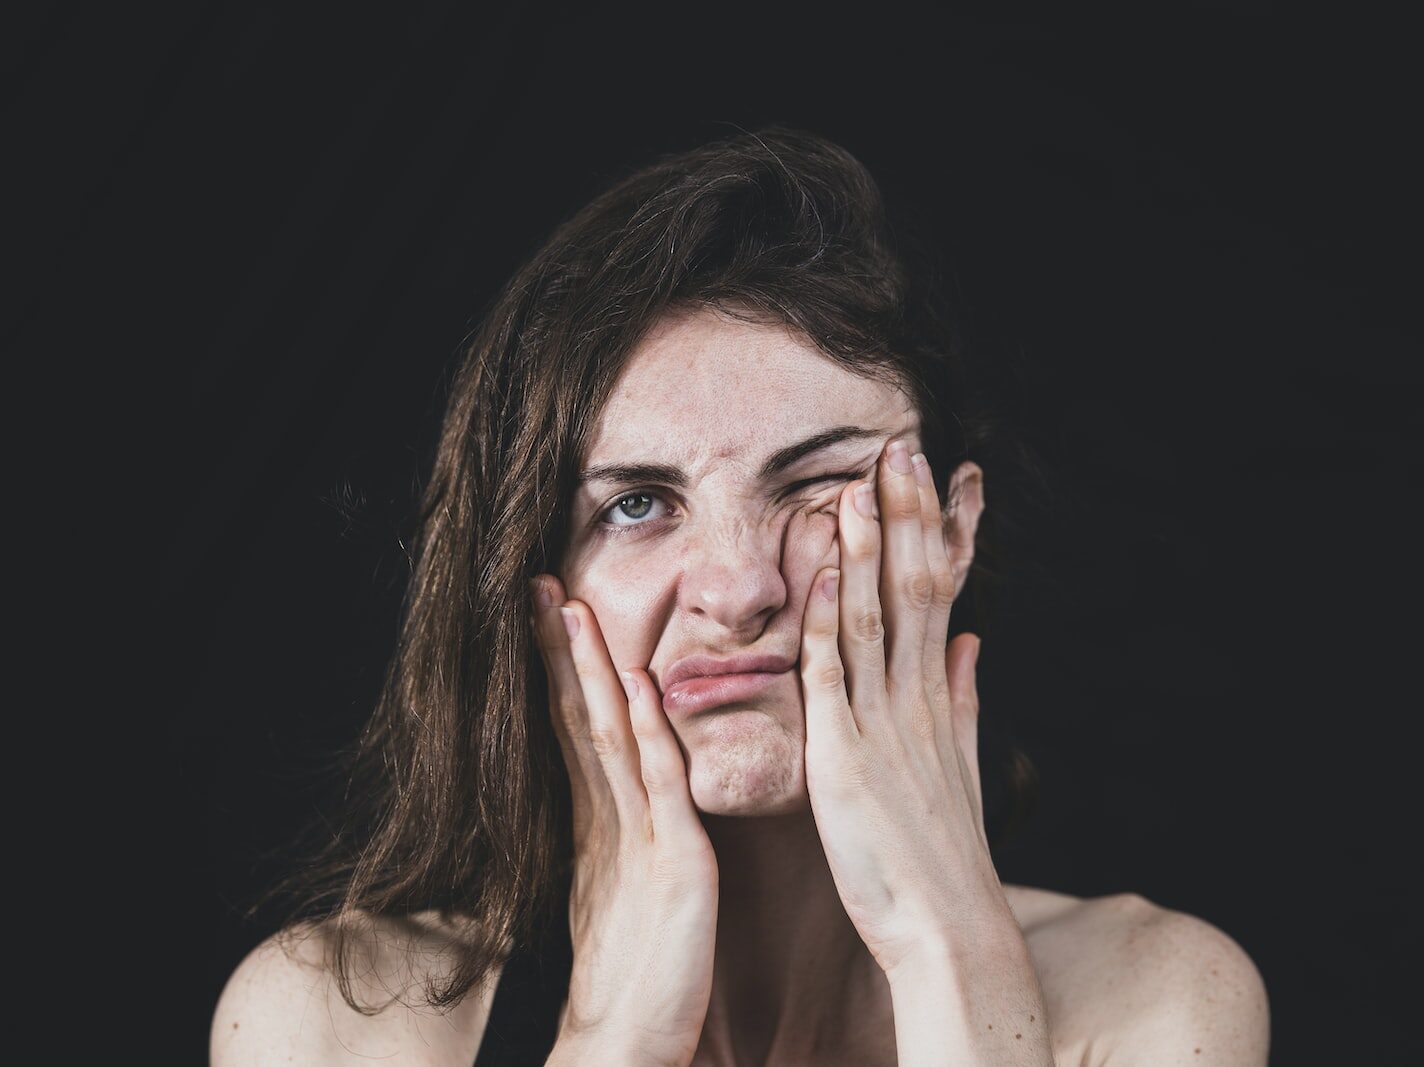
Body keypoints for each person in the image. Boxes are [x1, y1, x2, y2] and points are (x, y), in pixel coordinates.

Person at [211, 126, 1270, 1065]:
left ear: (948, 536)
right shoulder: (341, 1019)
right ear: (533, 580)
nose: (737, 588)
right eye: (632, 503)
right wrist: (615, 1034)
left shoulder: (1151, 995)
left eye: (817, 486)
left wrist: (950, 948)